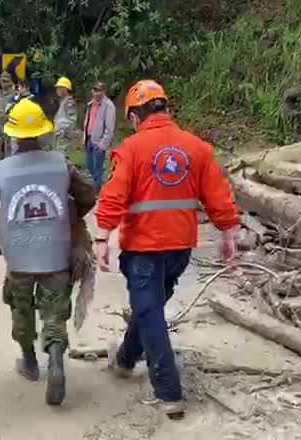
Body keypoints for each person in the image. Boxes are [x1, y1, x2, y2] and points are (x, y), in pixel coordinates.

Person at [94, 80, 240, 417]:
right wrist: (228, 235)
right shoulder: (197, 149)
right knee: (150, 308)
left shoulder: (131, 149)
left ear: (134, 116)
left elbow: (114, 197)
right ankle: (125, 361)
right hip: (179, 248)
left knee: (150, 311)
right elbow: (219, 198)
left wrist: (103, 238)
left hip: (144, 247)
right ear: (166, 108)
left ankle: (169, 391)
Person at [0, 98, 96, 406]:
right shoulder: (61, 164)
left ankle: (29, 363)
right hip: (56, 251)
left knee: (20, 308)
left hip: (19, 256)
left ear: (13, 136)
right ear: (42, 133)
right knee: (55, 310)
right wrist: (70, 213)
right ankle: (57, 362)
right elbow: (89, 193)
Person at [82, 81, 116, 191]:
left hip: (98, 141)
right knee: (90, 166)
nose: (97, 93)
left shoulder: (109, 106)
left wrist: (103, 144)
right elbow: (87, 122)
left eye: (99, 90)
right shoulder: (90, 104)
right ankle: (97, 186)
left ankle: (98, 192)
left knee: (98, 169)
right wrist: (84, 137)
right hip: (89, 139)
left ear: (104, 91)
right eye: (95, 90)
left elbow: (110, 128)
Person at [0, 72, 16, 161]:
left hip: (8, 123)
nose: (3, 83)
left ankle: (8, 163)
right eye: (2, 81)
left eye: (5, 81)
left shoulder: (14, 95)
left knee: (8, 146)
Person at [53, 76, 78, 154]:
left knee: (64, 160)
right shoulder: (63, 102)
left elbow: (72, 120)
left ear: (65, 89)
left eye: (59, 88)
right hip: (60, 137)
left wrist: (62, 131)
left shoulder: (69, 102)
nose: (57, 90)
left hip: (64, 138)